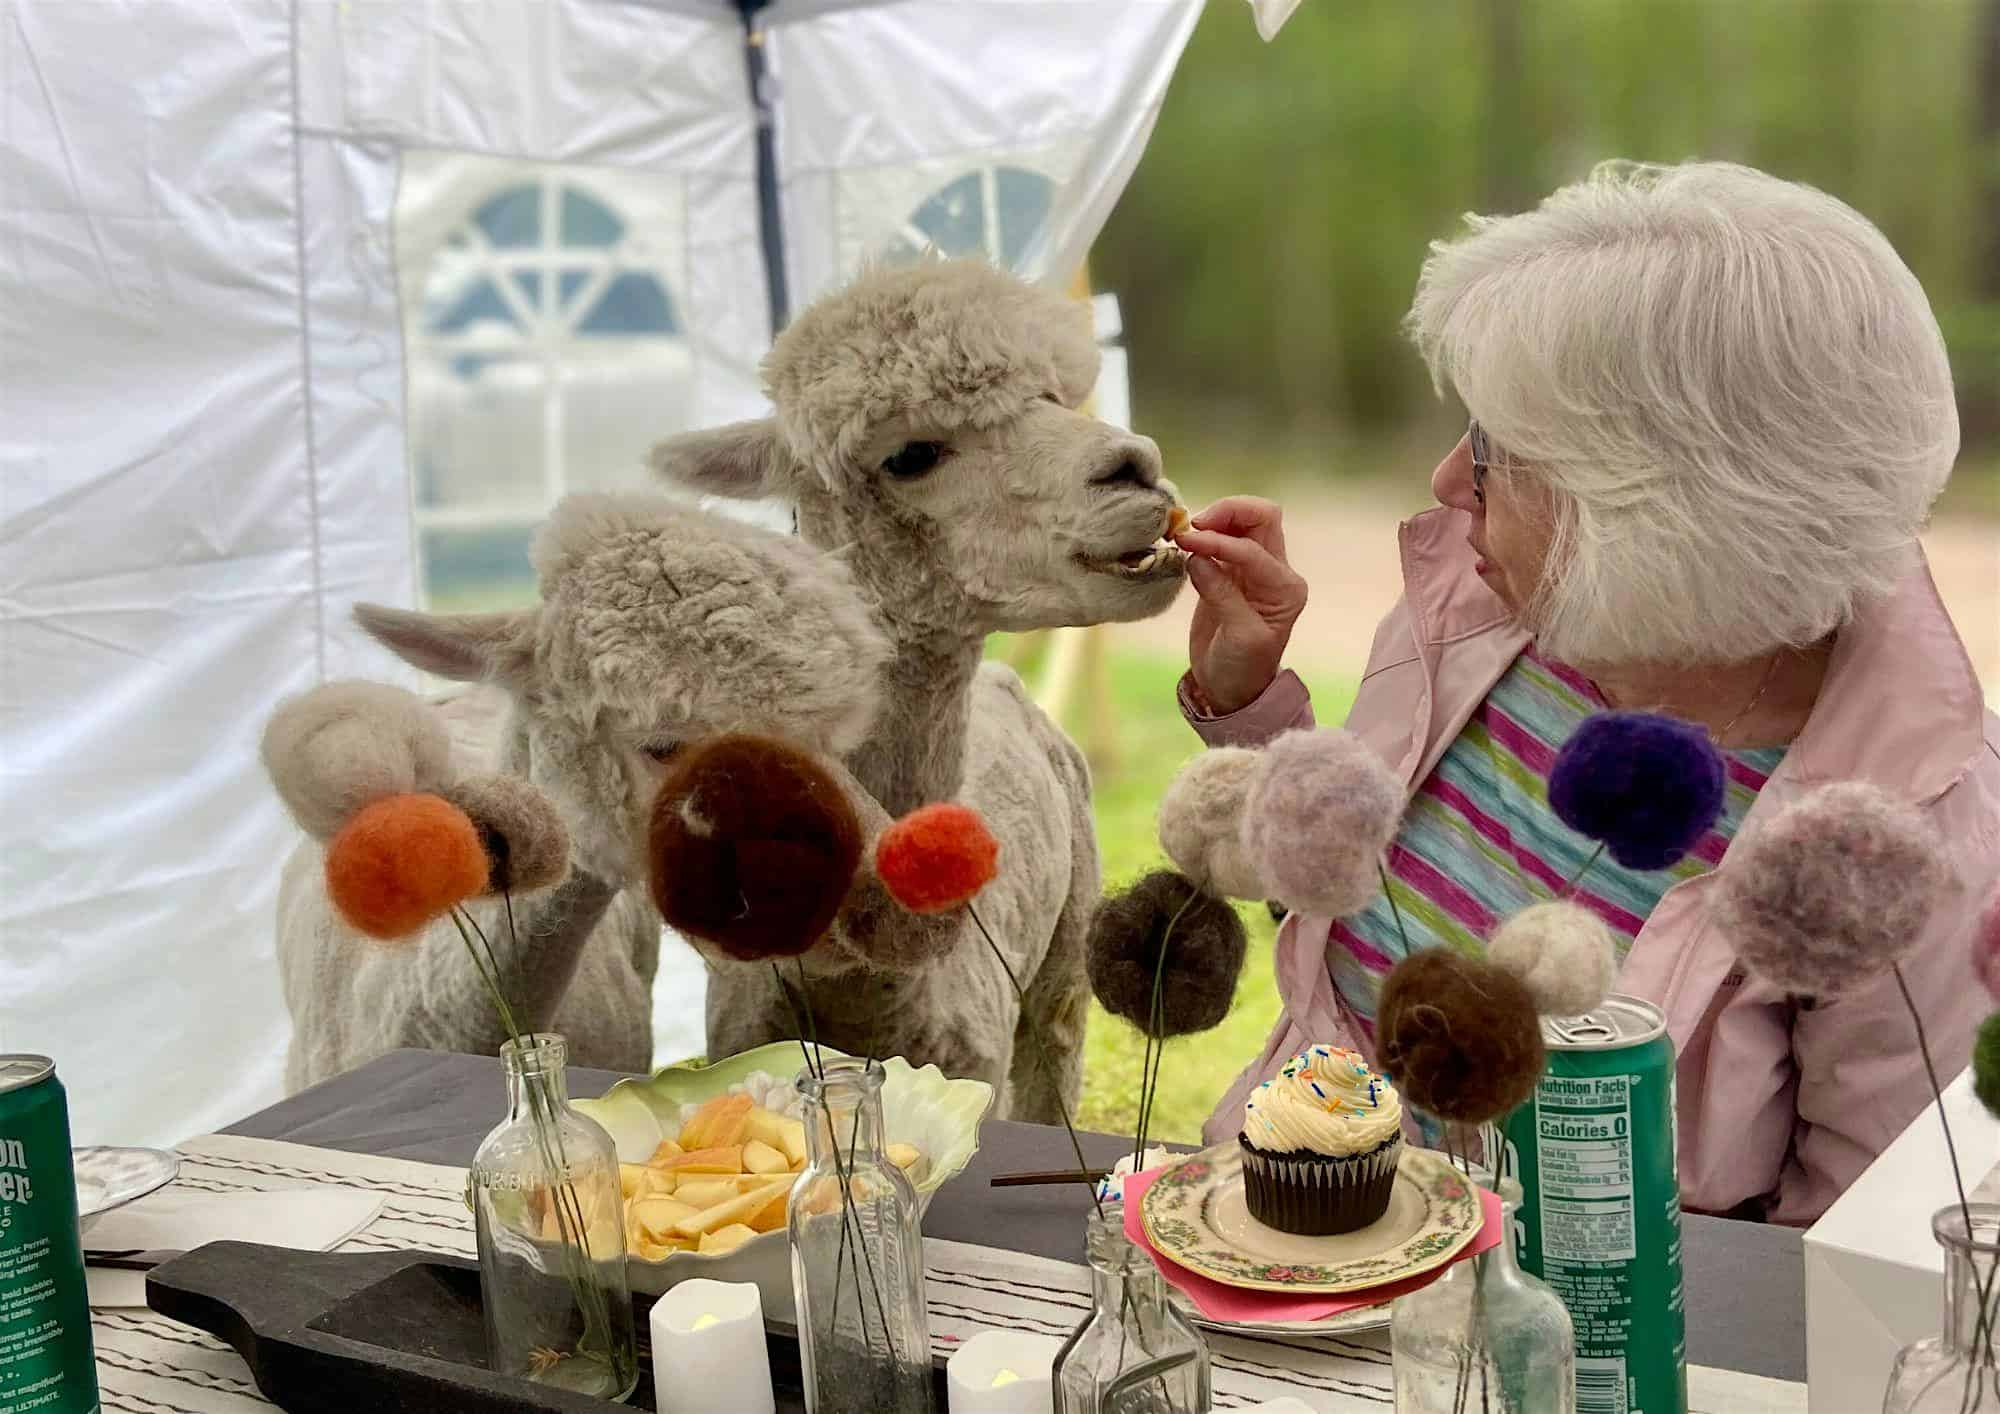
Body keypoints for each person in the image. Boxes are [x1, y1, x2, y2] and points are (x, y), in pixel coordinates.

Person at [1175, 159, 2000, 1224]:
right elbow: (1340, 899)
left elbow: (1848, 1265)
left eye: (1496, 452)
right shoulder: (1485, 609)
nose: (1440, 483)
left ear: (1669, 515)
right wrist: (1248, 702)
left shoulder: (1912, 851)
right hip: (1282, 1222)